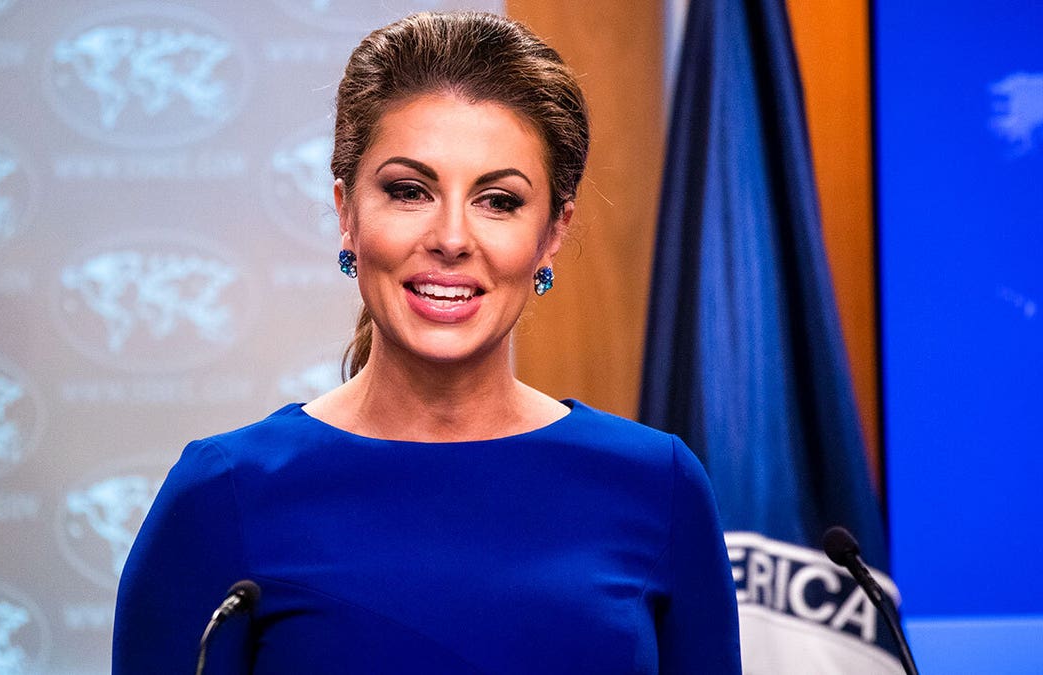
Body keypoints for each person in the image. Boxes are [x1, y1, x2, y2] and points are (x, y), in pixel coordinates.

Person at [113, 11, 740, 674]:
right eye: (409, 191)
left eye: (498, 200)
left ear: (552, 232)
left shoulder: (659, 487)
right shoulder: (222, 493)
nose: (450, 237)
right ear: (347, 211)